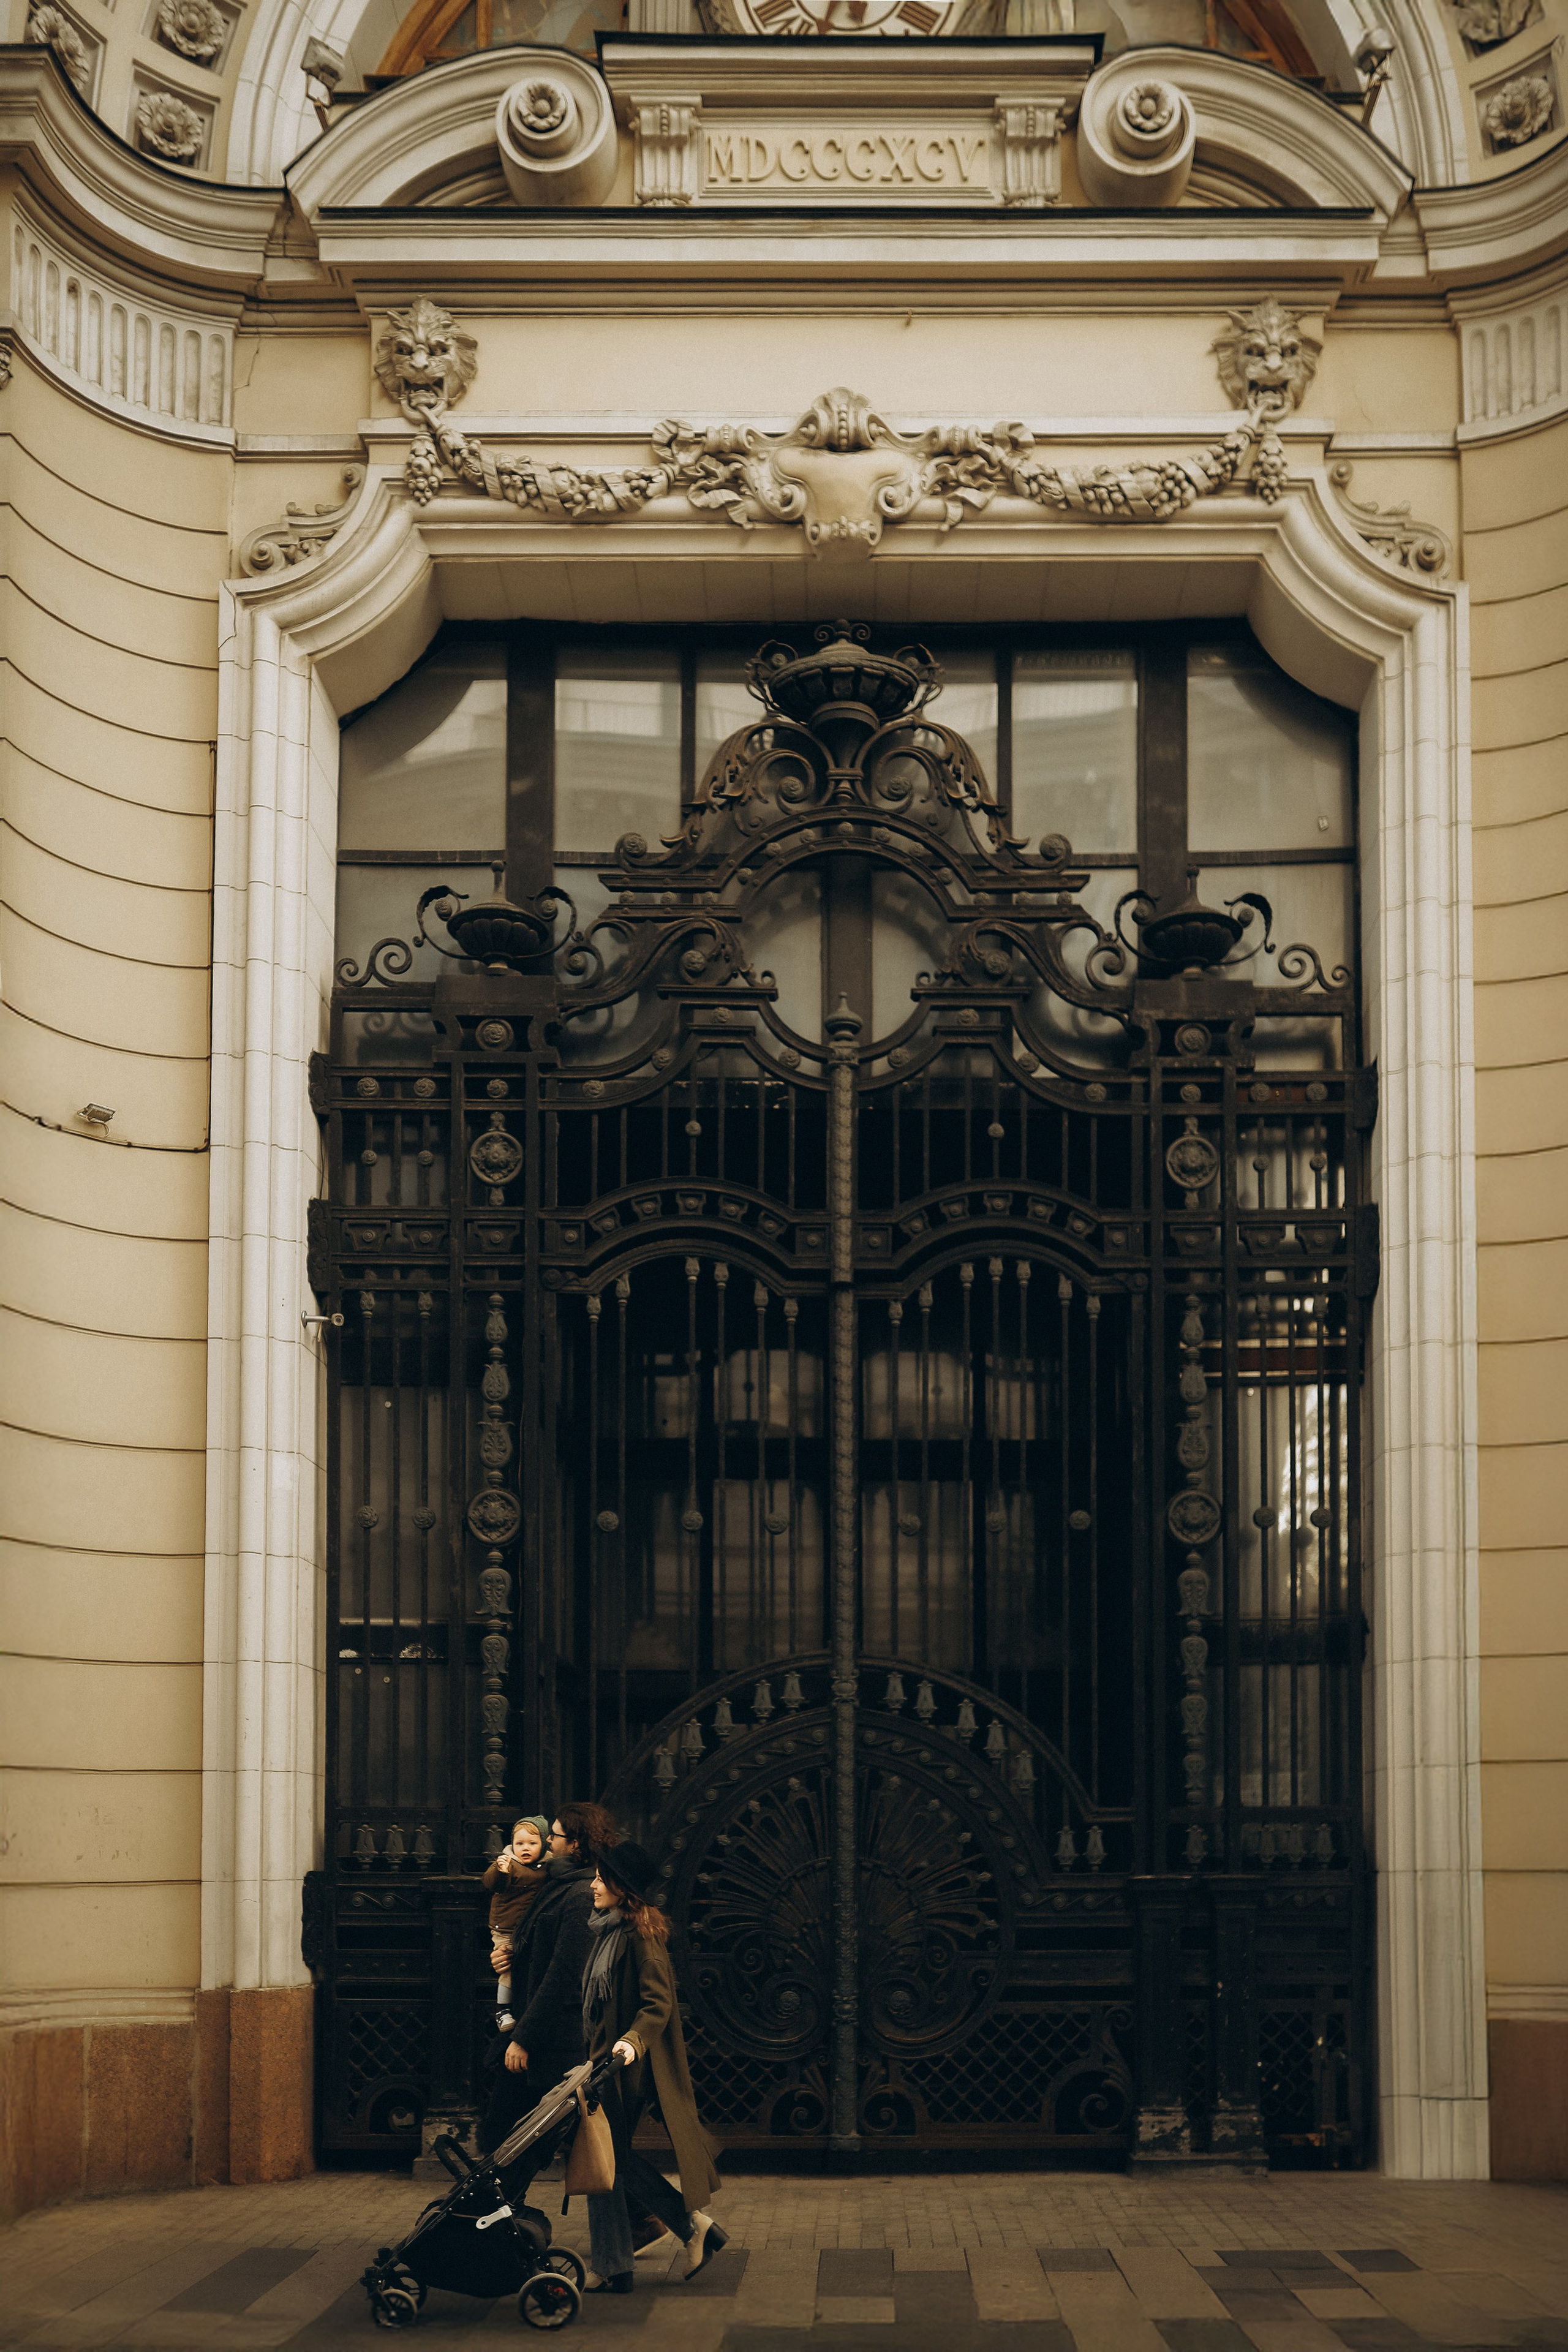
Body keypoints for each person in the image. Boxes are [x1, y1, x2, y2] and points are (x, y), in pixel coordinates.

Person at [580, 1839, 726, 2294]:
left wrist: (631, 2041)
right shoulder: (608, 1931)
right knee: (611, 2160)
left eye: (602, 1879)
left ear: (623, 1889)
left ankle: (614, 2264)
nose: (593, 1884)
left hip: (626, 2068)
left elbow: (658, 2004)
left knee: (600, 2160)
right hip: (604, 2063)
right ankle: (688, 2229)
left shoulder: (642, 1938)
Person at [478, 1800, 616, 2175]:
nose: (547, 1843)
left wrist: (524, 2038)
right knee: (514, 2142)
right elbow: (536, 1948)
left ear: (575, 1844)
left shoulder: (581, 1893)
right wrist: (507, 1958)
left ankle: (496, 2222)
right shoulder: (555, 1883)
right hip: (539, 2035)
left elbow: (565, 1975)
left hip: (551, 2042)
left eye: (554, 1836)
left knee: (511, 2141)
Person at [481, 1814, 549, 2032]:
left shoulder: (550, 1865)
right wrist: (500, 1871)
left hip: (529, 1927)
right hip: (506, 1928)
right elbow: (492, 1884)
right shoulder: (508, 1864)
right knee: (508, 1968)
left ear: (544, 1843)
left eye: (532, 1843)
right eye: (519, 1843)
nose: (525, 1848)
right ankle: (502, 2010)